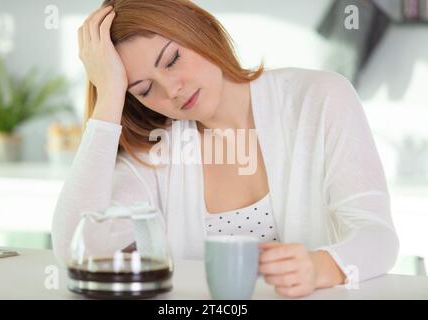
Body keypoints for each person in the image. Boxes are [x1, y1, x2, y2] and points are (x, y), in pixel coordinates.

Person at [51, 0, 399, 298]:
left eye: (172, 60)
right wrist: (110, 93)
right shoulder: (155, 151)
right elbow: (76, 250)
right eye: (144, 89)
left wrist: (319, 267)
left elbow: (377, 235)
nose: (172, 90)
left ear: (201, 30)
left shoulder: (320, 97)